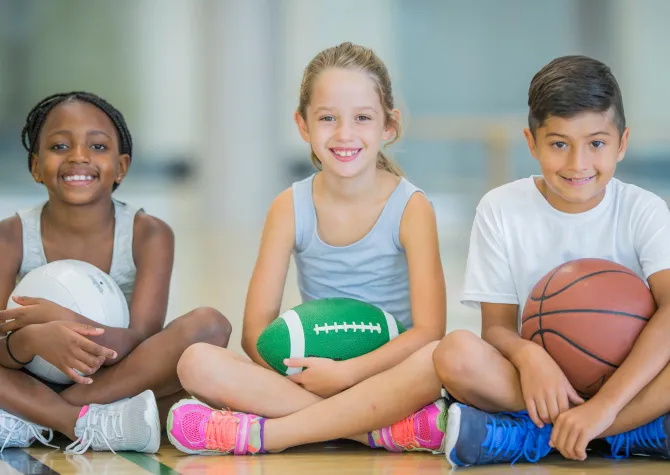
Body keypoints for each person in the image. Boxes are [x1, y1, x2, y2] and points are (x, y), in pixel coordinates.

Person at [167, 42, 448, 455]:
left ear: (389, 126)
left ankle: (268, 434)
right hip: (313, 375)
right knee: (195, 362)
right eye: (328, 118)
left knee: (438, 357)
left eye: (363, 118)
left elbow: (429, 332)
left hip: (387, 376)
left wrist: (348, 374)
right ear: (303, 125)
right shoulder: (290, 207)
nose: (344, 134)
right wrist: (304, 374)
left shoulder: (411, 207)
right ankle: (376, 432)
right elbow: (255, 333)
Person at [433, 56, 670, 466]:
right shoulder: (501, 208)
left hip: (629, 383)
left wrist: (605, 407)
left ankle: (543, 435)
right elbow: (497, 329)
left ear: (622, 142)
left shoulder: (642, 209)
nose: (578, 164)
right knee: (454, 353)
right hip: (542, 385)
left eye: (596, 143)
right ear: (532, 143)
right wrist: (530, 357)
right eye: (559, 144)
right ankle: (632, 432)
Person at [0, 92, 232, 453]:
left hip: (114, 378)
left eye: (97, 146)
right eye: (60, 145)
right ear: (35, 165)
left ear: (121, 166)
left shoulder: (149, 233)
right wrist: (33, 340)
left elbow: (141, 340)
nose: (79, 156)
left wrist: (68, 321)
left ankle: (36, 418)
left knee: (210, 325)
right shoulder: (10, 236)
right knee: (184, 402)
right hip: (26, 377)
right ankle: (79, 424)